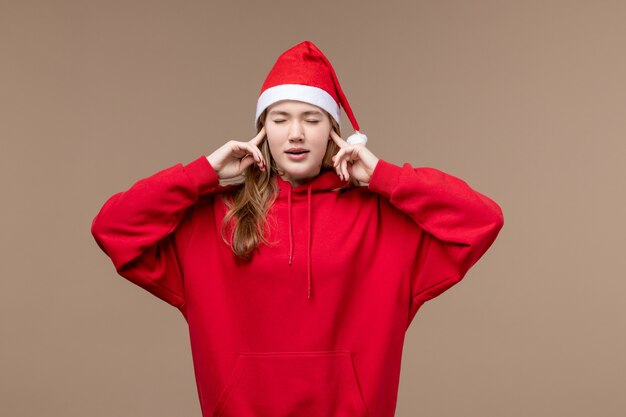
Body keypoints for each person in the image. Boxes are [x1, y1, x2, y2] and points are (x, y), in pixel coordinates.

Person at [91, 40, 504, 417]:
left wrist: (383, 175)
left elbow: (481, 220)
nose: (296, 134)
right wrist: (203, 173)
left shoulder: (383, 223)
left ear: (334, 132)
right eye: (280, 119)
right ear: (262, 131)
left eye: (312, 118)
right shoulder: (218, 219)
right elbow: (113, 228)